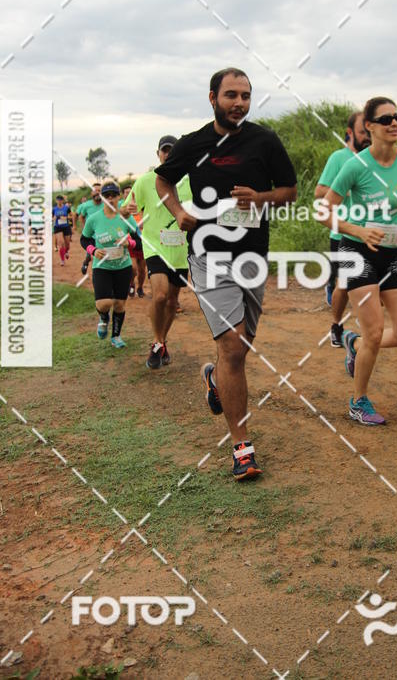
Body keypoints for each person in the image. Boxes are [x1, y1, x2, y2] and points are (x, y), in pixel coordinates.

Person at [155, 67, 297, 480]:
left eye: (246, 96)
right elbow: (164, 180)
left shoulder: (264, 141)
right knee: (234, 348)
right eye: (231, 94)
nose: (239, 102)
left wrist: (262, 198)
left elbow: (289, 193)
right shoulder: (194, 143)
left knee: (240, 348)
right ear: (213, 96)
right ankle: (242, 447)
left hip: (252, 257)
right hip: (207, 256)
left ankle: (215, 379)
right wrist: (179, 211)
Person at [317, 97, 397, 426]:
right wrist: (358, 230)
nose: (394, 124)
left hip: (393, 253)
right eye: (386, 119)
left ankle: (354, 342)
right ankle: (358, 400)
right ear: (370, 127)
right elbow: (324, 211)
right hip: (355, 251)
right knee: (375, 332)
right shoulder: (354, 166)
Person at [122, 137, 191, 368]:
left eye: (173, 151)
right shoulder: (145, 181)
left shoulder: (189, 181)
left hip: (181, 249)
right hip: (153, 245)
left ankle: (161, 341)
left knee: (172, 301)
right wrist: (127, 209)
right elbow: (125, 210)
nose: (169, 155)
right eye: (165, 151)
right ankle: (157, 341)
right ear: (158, 154)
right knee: (159, 296)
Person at [315, 110, 371, 346]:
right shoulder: (339, 158)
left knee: (372, 283)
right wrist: (347, 188)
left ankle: (367, 326)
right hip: (343, 232)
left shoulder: (375, 159)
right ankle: (336, 326)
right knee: (344, 284)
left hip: (373, 232)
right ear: (350, 133)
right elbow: (320, 192)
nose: (367, 136)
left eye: (370, 131)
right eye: (362, 132)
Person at [79, 181, 133, 349]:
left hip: (123, 267)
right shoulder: (94, 219)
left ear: (119, 197)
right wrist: (93, 250)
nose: (110, 198)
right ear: (102, 198)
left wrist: (128, 242)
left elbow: (138, 240)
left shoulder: (126, 218)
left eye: (113, 195)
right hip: (101, 267)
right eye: (106, 195)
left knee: (119, 304)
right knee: (104, 304)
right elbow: (84, 239)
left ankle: (116, 336)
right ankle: (103, 318)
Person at [78, 184, 103, 274]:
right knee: (89, 255)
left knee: (99, 255)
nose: (97, 193)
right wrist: (85, 227)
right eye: (95, 190)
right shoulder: (86, 205)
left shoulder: (106, 204)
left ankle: (98, 273)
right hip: (91, 236)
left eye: (99, 191)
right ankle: (85, 262)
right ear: (91, 193)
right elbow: (81, 216)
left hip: (104, 235)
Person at [52, 195, 73, 266]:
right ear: (56, 201)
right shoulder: (54, 209)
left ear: (63, 201)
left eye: (61, 200)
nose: (59, 201)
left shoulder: (66, 208)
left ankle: (66, 251)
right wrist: (54, 218)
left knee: (67, 244)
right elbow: (51, 218)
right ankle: (62, 260)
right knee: (61, 243)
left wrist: (66, 217)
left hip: (66, 227)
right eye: (58, 200)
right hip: (57, 227)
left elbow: (71, 216)